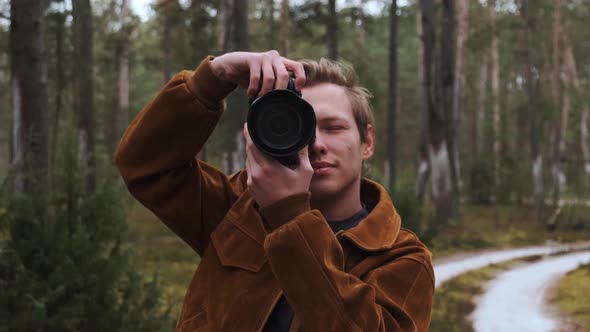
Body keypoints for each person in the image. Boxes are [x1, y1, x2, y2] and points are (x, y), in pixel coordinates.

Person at [115, 50, 434, 332]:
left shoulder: (401, 257)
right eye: (303, 127)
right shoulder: (239, 206)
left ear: (367, 142)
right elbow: (145, 165)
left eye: (334, 127)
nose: (318, 144)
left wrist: (289, 215)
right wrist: (213, 79)